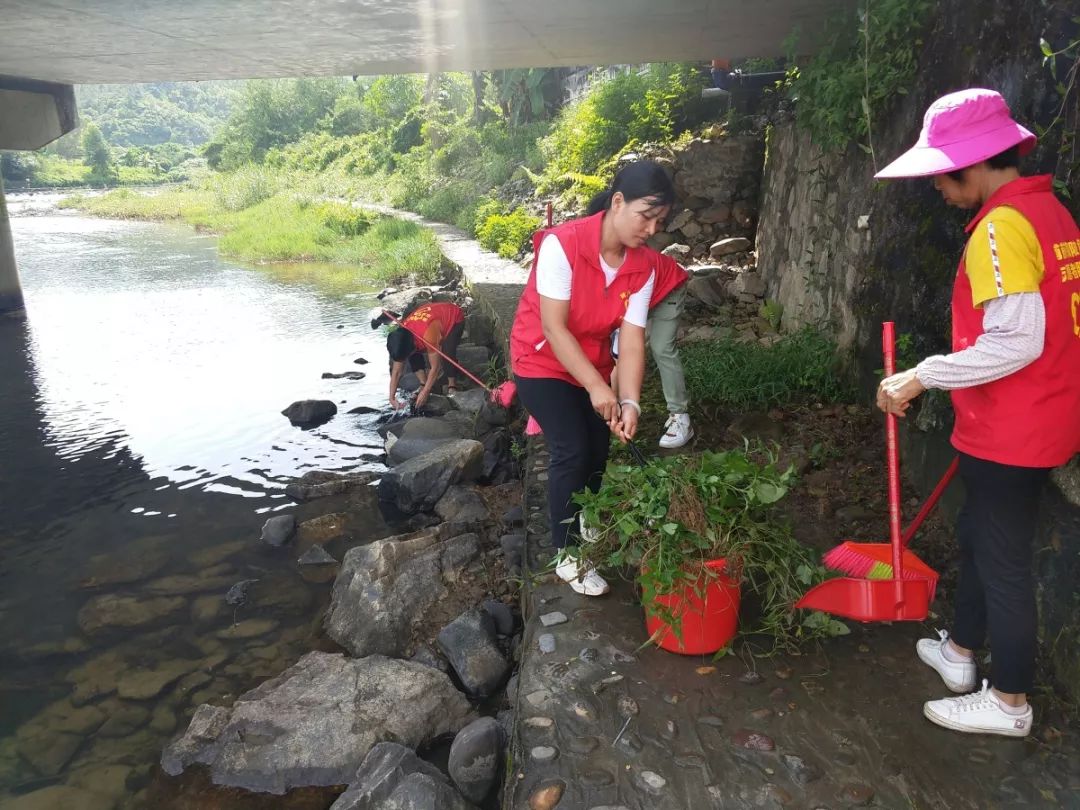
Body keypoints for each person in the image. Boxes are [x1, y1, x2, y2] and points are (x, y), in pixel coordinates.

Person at [874, 88, 1080, 738]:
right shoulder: (1051, 213)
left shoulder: (1001, 226)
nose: (937, 183)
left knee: (1003, 558)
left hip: (1014, 426)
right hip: (1036, 415)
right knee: (978, 537)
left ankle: (1010, 703)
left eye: (941, 170)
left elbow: (1017, 340)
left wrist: (919, 375)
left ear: (973, 163)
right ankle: (961, 654)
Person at [510, 160, 686, 596]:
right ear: (618, 201)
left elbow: (630, 342)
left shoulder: (643, 267)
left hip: (590, 360)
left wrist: (630, 402)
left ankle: (586, 511)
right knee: (572, 447)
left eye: (659, 222)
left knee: (601, 442)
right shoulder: (563, 245)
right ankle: (566, 554)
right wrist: (595, 387)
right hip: (540, 359)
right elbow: (554, 328)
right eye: (645, 215)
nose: (650, 228)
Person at [386, 301, 465, 410]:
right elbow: (396, 372)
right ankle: (423, 383)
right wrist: (391, 397)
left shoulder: (428, 335)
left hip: (453, 316)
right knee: (413, 356)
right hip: (430, 315)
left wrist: (425, 393)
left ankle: (452, 384)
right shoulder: (401, 338)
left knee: (447, 354)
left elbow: (435, 367)